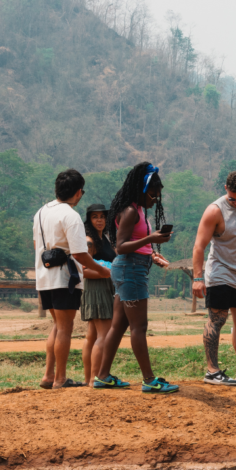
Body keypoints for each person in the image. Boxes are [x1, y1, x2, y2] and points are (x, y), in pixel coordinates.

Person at [94, 162, 178, 393]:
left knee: (118, 326)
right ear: (142, 189)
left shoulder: (136, 209)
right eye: (153, 194)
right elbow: (120, 246)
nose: (155, 199)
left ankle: (102, 376)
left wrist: (152, 253)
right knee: (139, 326)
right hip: (130, 270)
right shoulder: (130, 210)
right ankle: (150, 380)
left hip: (132, 268)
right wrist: (150, 238)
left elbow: (133, 245)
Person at [191, 170, 236, 386]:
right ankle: (212, 371)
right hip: (219, 272)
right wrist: (198, 278)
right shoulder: (214, 211)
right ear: (225, 189)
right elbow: (199, 246)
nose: (235, 202)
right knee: (217, 319)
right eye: (232, 198)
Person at [33, 169, 107, 389]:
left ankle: (48, 375)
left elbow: (37, 245)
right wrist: (101, 270)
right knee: (65, 328)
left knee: (57, 326)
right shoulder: (70, 215)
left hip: (44, 276)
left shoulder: (41, 212)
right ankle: (60, 378)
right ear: (78, 193)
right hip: (64, 277)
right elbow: (79, 253)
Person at [81, 204, 115, 385]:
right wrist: (106, 273)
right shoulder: (89, 241)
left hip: (103, 288)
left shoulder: (105, 239)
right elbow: (83, 270)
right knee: (104, 334)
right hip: (97, 289)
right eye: (95, 217)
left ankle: (89, 379)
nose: (100, 220)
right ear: (89, 220)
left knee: (92, 336)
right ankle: (97, 378)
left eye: (102, 216)